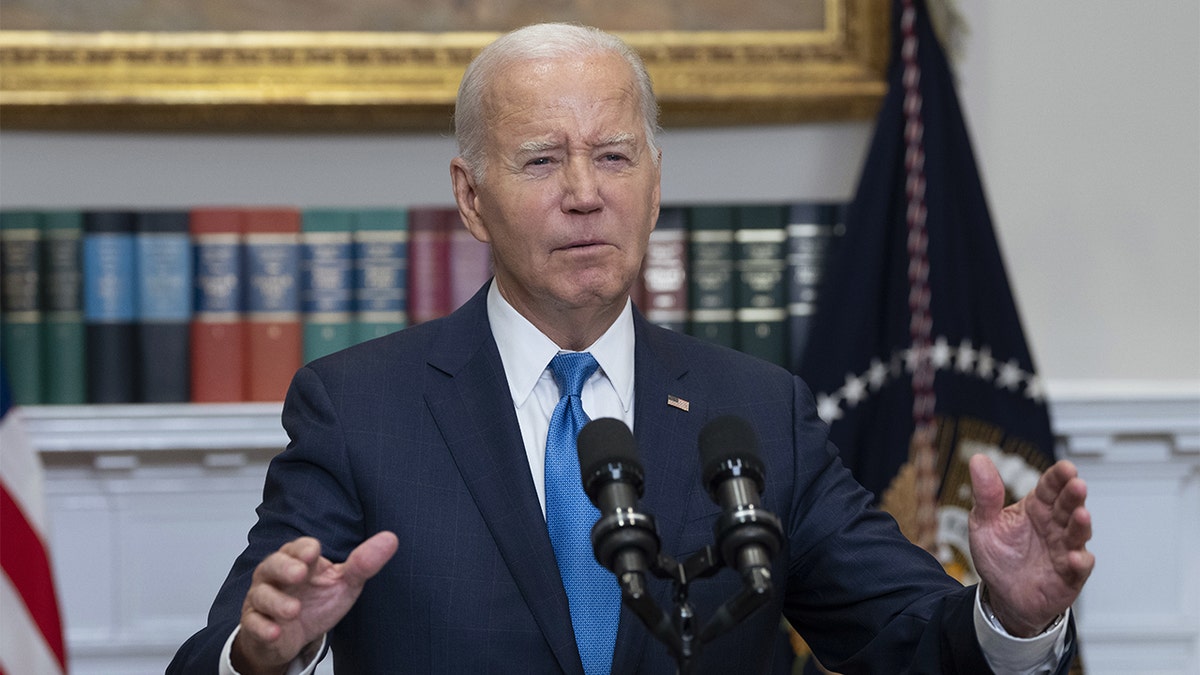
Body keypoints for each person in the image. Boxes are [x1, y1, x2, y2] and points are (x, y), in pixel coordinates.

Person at [169, 22, 1093, 675]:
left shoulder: (761, 411)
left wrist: (1012, 615)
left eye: (614, 156)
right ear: (470, 195)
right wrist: (264, 656)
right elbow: (230, 646)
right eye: (541, 159)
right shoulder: (359, 408)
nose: (584, 193)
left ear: (655, 187)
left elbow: (908, 638)